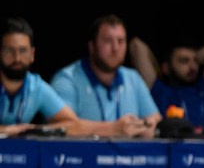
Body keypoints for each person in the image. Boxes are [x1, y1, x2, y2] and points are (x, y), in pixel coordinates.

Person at [1, 17, 150, 138]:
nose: (17, 58)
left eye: (22, 50)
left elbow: (72, 124)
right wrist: (10, 130)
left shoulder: (36, 87)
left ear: (32, 54)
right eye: (9, 51)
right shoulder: (67, 78)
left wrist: (116, 128)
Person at [51, 15, 162, 138]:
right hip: (83, 155)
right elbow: (59, 127)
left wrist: (147, 124)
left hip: (127, 156)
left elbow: (155, 118)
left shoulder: (133, 77)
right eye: (108, 41)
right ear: (92, 46)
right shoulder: (67, 79)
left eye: (120, 41)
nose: (115, 48)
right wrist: (113, 129)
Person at [129, 36, 204, 135]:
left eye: (196, 61)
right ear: (166, 67)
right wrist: (159, 68)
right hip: (174, 149)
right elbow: (136, 46)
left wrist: (193, 57)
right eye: (184, 61)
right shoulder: (159, 91)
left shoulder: (203, 90)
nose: (193, 67)